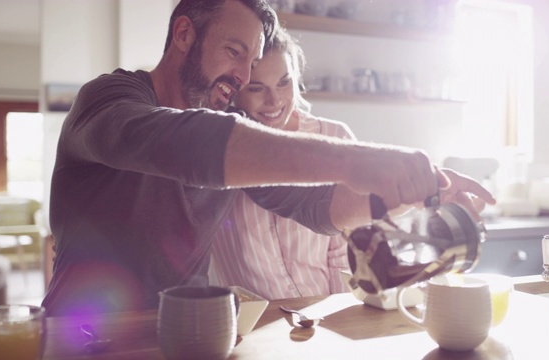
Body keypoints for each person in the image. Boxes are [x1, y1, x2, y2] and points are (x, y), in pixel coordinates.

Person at [43, 0, 495, 317]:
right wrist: (360, 159)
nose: (243, 76)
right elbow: (184, 143)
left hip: (187, 332)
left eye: (252, 60)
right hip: (83, 335)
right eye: (234, 52)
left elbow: (319, 206)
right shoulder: (108, 100)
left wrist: (409, 189)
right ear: (184, 33)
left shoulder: (230, 129)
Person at [210, 27, 354, 299]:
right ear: (234, 91)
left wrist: (335, 316)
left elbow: (346, 249)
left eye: (284, 82)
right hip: (249, 322)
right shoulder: (213, 150)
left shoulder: (335, 138)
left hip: (325, 316)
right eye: (256, 88)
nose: (274, 100)